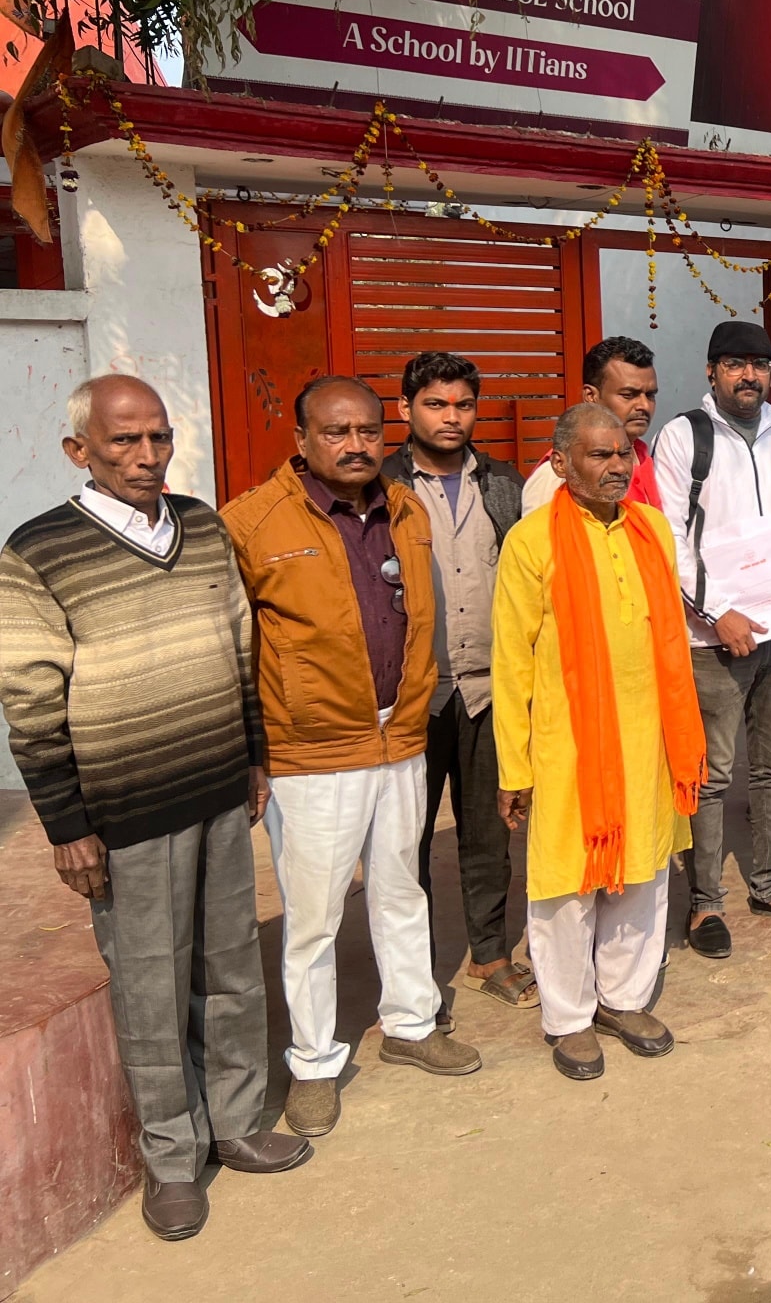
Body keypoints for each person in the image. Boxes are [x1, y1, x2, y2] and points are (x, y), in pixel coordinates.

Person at [0, 376, 310, 1242]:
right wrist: (67, 826)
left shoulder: (201, 528)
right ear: (80, 451)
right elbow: (30, 698)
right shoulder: (39, 551)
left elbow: (240, 648)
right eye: (123, 442)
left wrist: (253, 756)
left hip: (215, 789)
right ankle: (172, 1160)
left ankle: (237, 1123)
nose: (146, 457)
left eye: (158, 438)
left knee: (231, 967)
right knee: (149, 986)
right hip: (126, 810)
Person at [222, 377, 480, 1142]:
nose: (356, 444)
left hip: (399, 737)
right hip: (313, 750)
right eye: (336, 431)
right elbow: (235, 648)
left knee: (401, 890)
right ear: (301, 439)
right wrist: (252, 751)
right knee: (314, 917)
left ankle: (411, 1023)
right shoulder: (252, 523)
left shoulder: (405, 510)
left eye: (368, 430)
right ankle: (313, 1062)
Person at [493, 403, 708, 1078]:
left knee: (643, 870)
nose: (617, 466)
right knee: (565, 883)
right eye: (599, 454)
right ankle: (568, 1017)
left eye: (623, 454)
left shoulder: (651, 528)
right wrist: (514, 767)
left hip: (648, 736)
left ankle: (623, 998)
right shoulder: (531, 541)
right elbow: (511, 662)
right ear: (561, 463)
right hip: (569, 746)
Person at [655, 320, 771, 959]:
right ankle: (706, 902)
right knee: (711, 775)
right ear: (712, 371)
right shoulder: (684, 436)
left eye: (759, 365)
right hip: (713, 638)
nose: (748, 375)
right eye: (734, 364)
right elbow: (671, 536)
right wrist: (717, 612)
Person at [381, 352, 534, 1013]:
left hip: (488, 689)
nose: (451, 417)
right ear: (405, 409)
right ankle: (411, 975)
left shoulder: (502, 485)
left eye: (463, 405)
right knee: (404, 841)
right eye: (436, 404)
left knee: (489, 832)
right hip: (413, 696)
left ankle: (489, 953)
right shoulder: (381, 484)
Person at [522, 336, 662, 513]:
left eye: (650, 395)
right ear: (591, 396)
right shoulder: (563, 471)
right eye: (628, 395)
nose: (644, 405)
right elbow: (541, 529)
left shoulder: (642, 455)